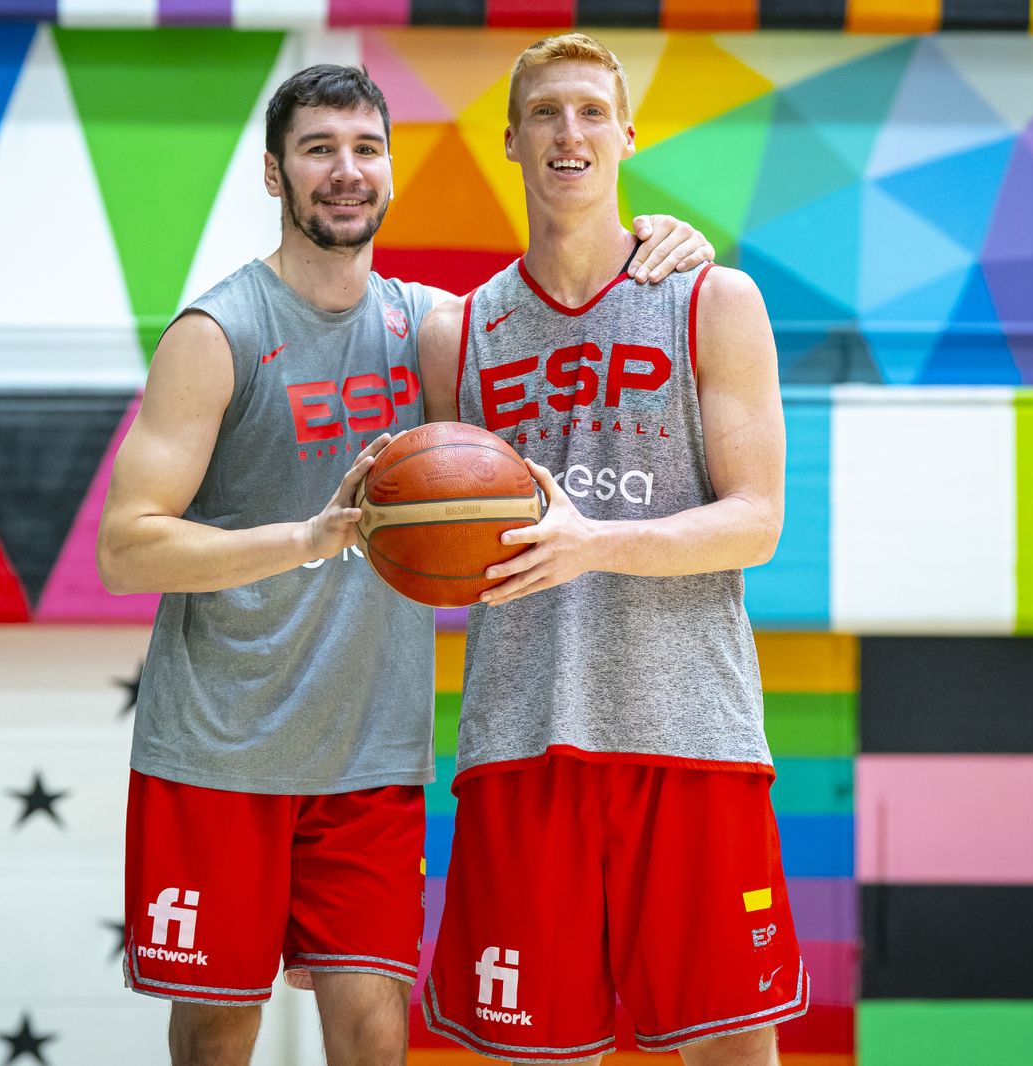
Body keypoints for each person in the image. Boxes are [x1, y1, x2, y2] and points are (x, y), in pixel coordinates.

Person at [96, 63, 716, 1066]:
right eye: (317, 149)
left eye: (365, 148)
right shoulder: (218, 333)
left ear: (389, 170)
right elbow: (126, 546)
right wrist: (307, 538)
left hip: (371, 755)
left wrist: (665, 237)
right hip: (220, 743)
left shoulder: (435, 330)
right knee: (217, 1030)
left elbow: (569, 308)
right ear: (273, 174)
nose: (345, 171)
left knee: (376, 1030)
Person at [417, 33, 804, 1065]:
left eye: (591, 110)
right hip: (520, 732)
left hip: (690, 735)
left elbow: (757, 520)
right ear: (509, 141)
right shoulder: (458, 334)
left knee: (728, 1051)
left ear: (627, 135)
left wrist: (594, 545)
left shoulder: (709, 299)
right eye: (545, 112)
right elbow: (437, 540)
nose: (569, 130)